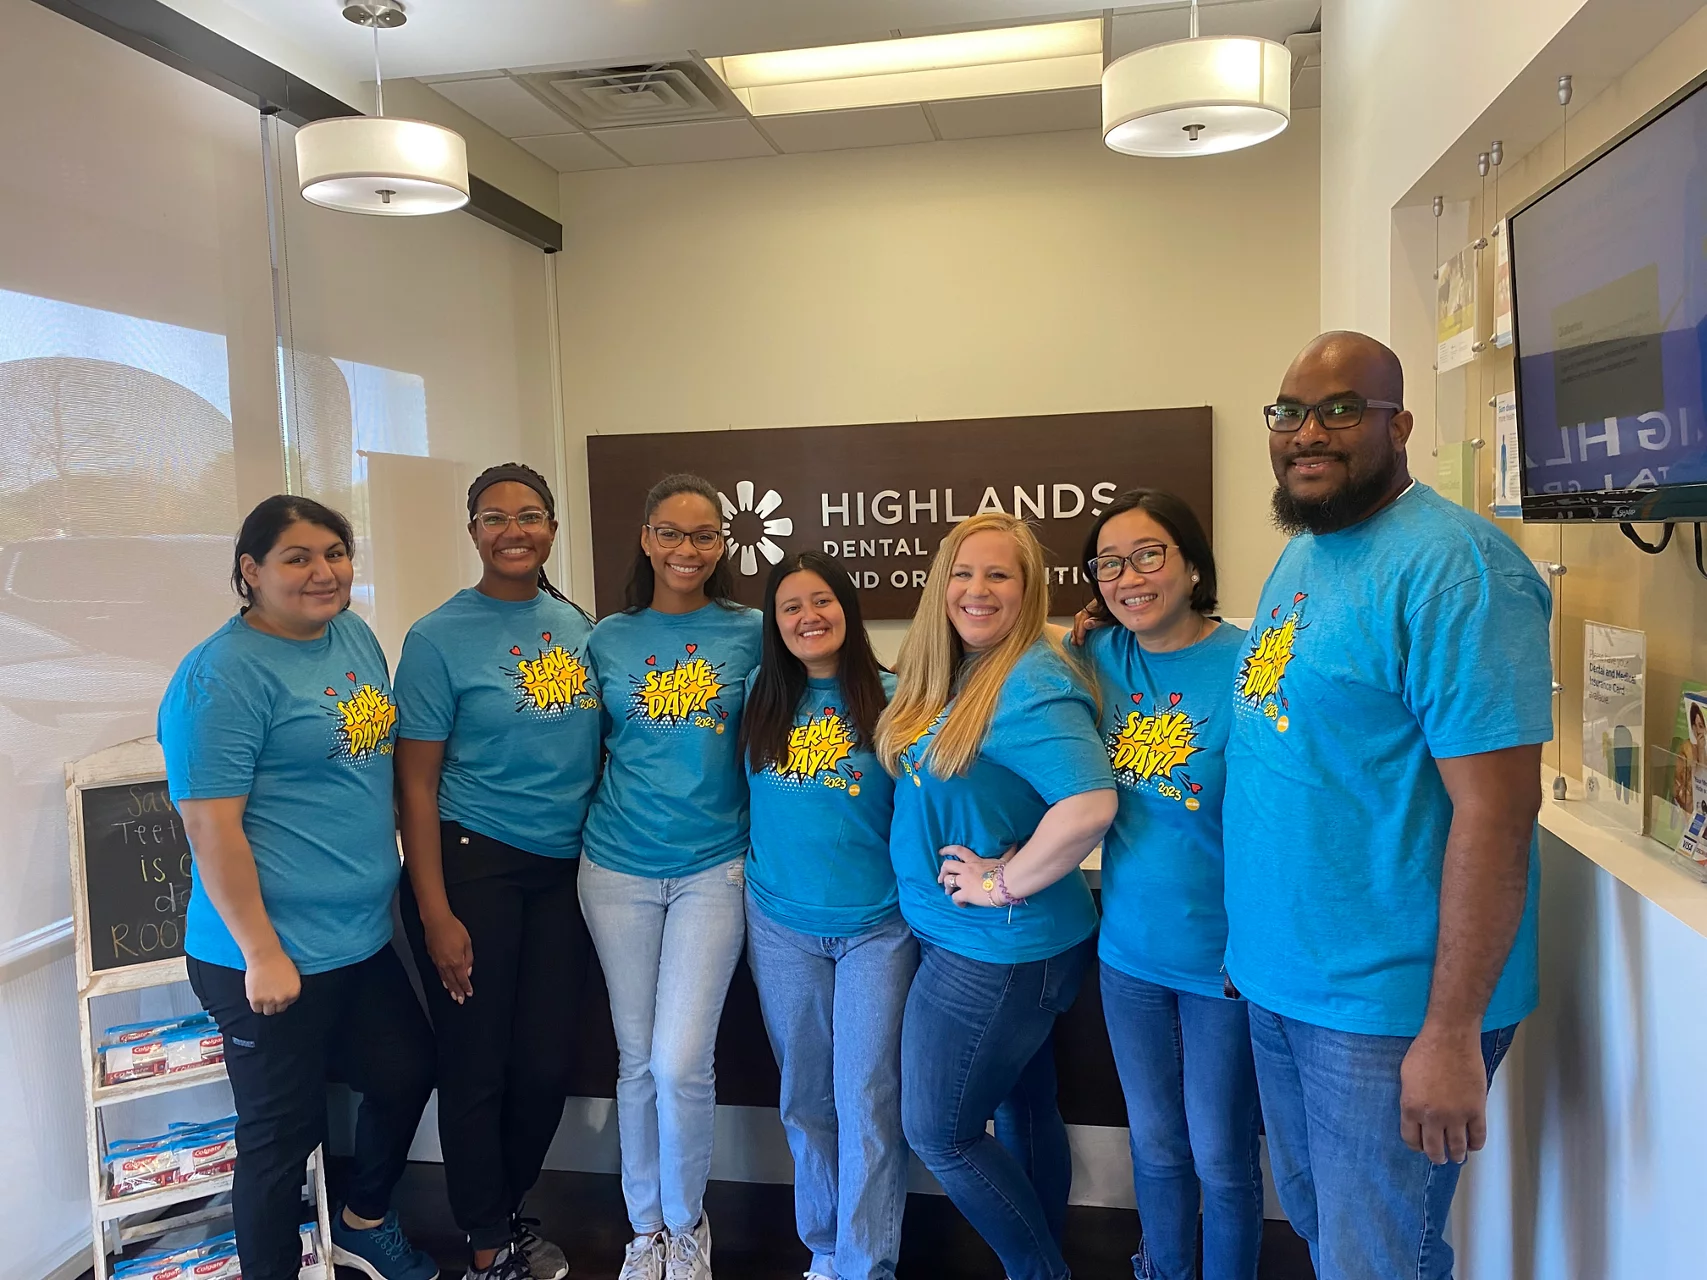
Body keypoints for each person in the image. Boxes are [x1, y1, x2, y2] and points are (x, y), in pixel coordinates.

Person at [1224, 331, 1552, 1279]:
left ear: (1397, 426)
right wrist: (1253, 947)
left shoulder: (1459, 573)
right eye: (1288, 413)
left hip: (1386, 1008)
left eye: (1338, 410)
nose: (1306, 433)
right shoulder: (1304, 551)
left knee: (1376, 1262)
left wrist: (1448, 1034)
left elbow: (1497, 816)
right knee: (1325, 1234)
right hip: (1283, 980)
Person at [158, 495, 436, 1280]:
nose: (324, 572)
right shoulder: (221, 676)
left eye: (335, 553)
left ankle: (363, 1221)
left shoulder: (352, 635)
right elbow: (211, 827)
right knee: (280, 1140)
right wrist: (262, 953)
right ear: (250, 571)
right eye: (298, 557)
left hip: (359, 938)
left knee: (405, 1073)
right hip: (267, 955)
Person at [875, 512, 1116, 1280]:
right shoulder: (957, 669)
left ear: (1028, 588)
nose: (976, 590)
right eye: (963, 573)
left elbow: (1090, 805)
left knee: (938, 1131)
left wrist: (999, 881)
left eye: (998, 575)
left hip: (998, 950)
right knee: (1021, 1105)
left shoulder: (1029, 682)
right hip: (981, 940)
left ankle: (1040, 1272)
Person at [393, 464, 600, 1280]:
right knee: (476, 1064)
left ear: (552, 528)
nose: (514, 530)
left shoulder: (578, 625)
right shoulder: (437, 638)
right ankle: (486, 1244)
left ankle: (506, 1211)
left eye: (530, 515)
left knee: (544, 1066)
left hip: (564, 872)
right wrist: (433, 910)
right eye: (494, 517)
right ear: (473, 530)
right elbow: (414, 784)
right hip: (472, 863)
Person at [579, 473, 764, 1280]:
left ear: (722, 545)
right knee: (635, 1061)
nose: (686, 549)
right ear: (646, 540)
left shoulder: (753, 631)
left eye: (703, 535)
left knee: (680, 1060)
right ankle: (645, 1229)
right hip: (613, 867)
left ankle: (688, 1228)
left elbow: (840, 677)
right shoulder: (606, 639)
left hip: (712, 868)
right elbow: (570, 743)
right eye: (670, 533)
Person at [1075, 490, 1261, 1280]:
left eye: (1147, 555)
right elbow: (999, 636)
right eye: (1108, 564)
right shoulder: (1097, 655)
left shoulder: (1249, 663)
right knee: (1154, 1145)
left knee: (1220, 1155)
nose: (1128, 577)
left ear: (1191, 565)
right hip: (1127, 956)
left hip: (1224, 961)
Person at [739, 551, 914, 1280]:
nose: (808, 617)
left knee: (866, 1096)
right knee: (805, 1095)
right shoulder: (757, 696)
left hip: (877, 929)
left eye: (822, 601)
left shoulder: (898, 699)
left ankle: (867, 1264)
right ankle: (826, 1247)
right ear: (774, 623)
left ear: (847, 608)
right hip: (779, 926)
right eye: (791, 607)